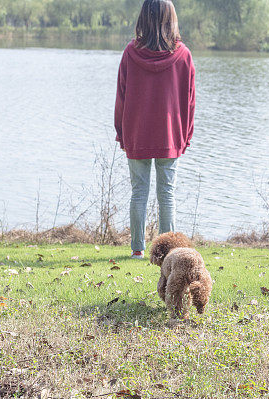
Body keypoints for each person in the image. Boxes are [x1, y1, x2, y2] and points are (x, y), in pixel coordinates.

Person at [114, 0, 196, 259]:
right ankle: (167, 253)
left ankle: (137, 250)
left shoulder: (130, 52)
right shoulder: (183, 55)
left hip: (137, 132)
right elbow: (190, 100)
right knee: (167, 195)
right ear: (171, 19)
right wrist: (186, 135)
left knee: (139, 192)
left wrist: (121, 132)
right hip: (169, 134)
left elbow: (121, 96)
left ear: (143, 19)